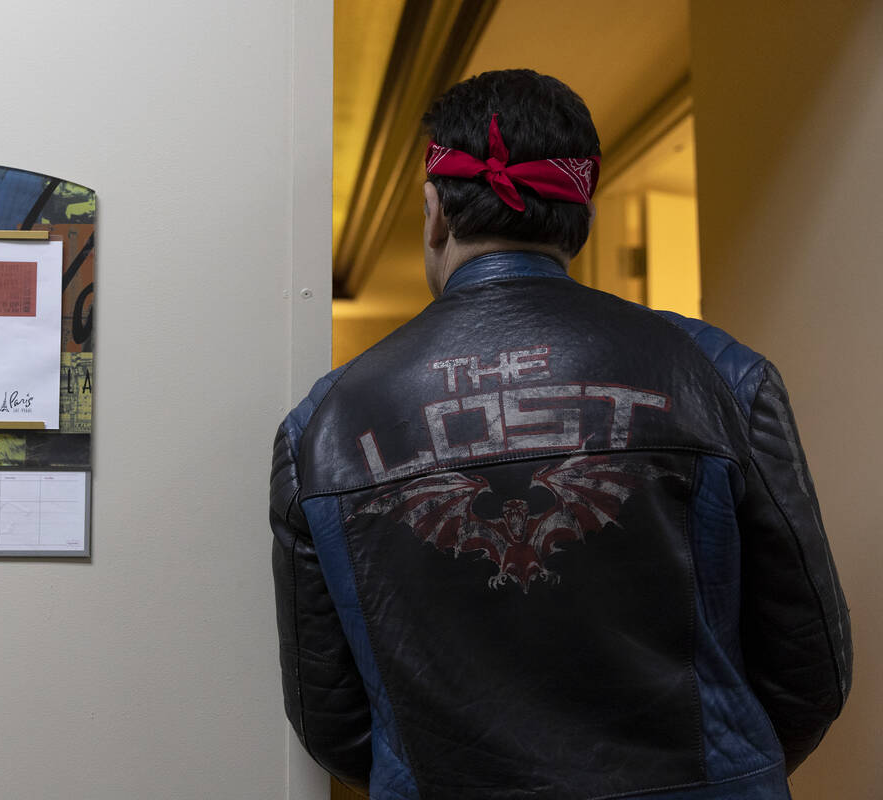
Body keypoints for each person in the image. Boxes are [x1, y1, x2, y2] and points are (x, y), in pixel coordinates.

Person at [269, 69, 851, 800]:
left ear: (435, 213)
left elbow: (332, 720)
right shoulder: (723, 377)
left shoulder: (323, 424)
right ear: (580, 218)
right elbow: (810, 667)